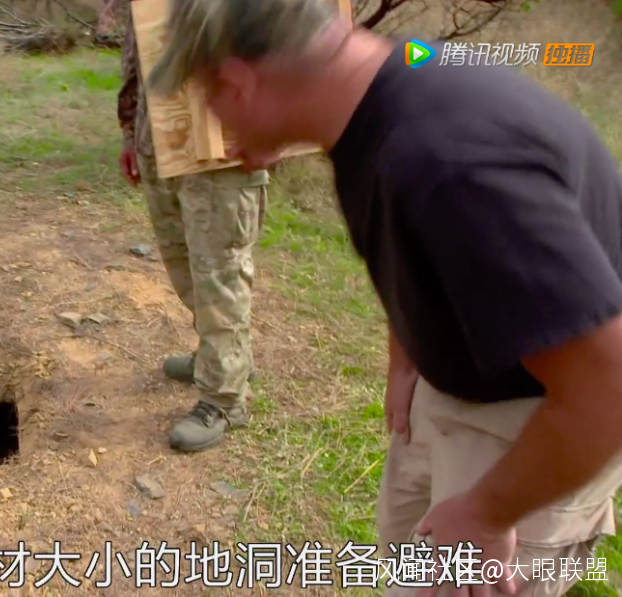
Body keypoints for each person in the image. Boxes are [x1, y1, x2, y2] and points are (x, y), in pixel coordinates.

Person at [146, 0, 622, 594]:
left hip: (538, 424)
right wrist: (406, 360)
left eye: (206, 96)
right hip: (458, 388)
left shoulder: (450, 161)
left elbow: (607, 388)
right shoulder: (383, 97)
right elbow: (422, 250)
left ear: (240, 84)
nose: (210, 118)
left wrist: (488, 512)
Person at [104, 0, 270, 453]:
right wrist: (130, 134)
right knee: (186, 268)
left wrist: (273, 131)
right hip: (160, 144)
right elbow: (138, 57)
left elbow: (293, 44)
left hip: (223, 152)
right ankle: (223, 357)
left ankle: (225, 399)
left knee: (219, 273)